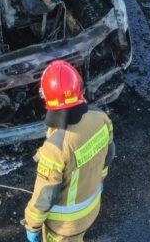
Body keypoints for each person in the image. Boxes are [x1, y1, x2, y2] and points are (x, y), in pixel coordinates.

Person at [23, 60, 114, 242]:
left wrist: (32, 225)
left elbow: (45, 197)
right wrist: (100, 180)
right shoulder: (101, 119)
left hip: (64, 226)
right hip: (92, 208)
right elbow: (108, 156)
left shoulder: (55, 148)